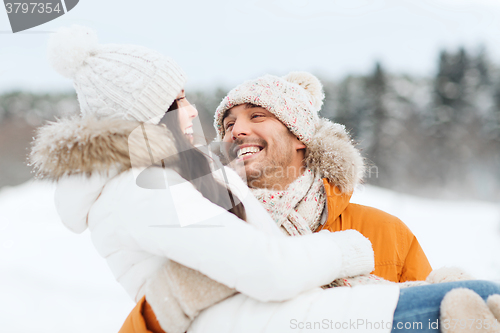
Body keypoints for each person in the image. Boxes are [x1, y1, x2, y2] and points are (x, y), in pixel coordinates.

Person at [31, 25, 391, 333]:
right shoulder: (143, 189)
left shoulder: (183, 174)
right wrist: (346, 250)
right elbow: (269, 269)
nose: (191, 112)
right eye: (177, 102)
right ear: (148, 116)